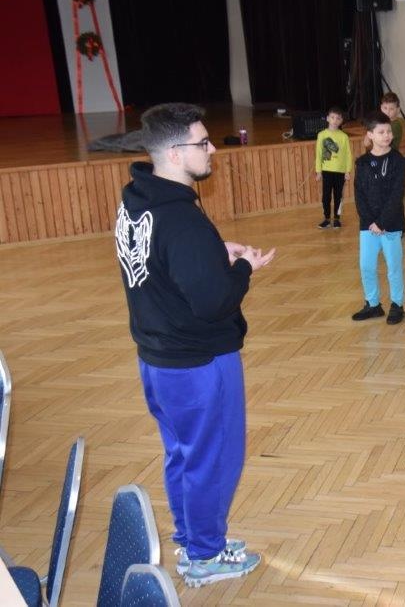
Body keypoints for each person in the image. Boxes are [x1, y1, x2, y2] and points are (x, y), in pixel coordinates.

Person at [114, 103, 273, 587]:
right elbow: (213, 301)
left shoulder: (138, 201)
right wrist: (243, 267)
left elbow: (158, 261)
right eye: (202, 143)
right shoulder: (181, 219)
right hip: (198, 363)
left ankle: (192, 536)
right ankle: (204, 557)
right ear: (175, 153)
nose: (212, 150)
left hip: (158, 359)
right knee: (214, 459)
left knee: (183, 454)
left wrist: (211, 254)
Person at [352, 112, 405, 325]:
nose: (387, 135)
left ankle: (397, 305)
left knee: (394, 267)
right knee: (366, 266)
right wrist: (370, 222)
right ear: (370, 135)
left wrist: (382, 222)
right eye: (381, 132)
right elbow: (359, 195)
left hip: (391, 224)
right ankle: (373, 304)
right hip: (368, 226)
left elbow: (396, 194)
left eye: (389, 131)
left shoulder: (397, 160)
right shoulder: (362, 163)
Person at [314, 105, 353, 229]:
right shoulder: (321, 135)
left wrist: (347, 171)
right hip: (326, 171)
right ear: (327, 118)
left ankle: (336, 219)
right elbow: (318, 154)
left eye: (338, 118)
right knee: (326, 196)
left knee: (338, 196)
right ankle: (326, 219)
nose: (335, 120)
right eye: (332, 117)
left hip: (340, 172)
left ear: (341, 120)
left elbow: (348, 155)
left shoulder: (344, 136)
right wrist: (318, 171)